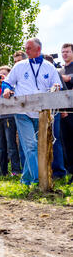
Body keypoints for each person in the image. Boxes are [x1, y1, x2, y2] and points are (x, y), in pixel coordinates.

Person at [2, 38, 63, 185]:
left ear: (38, 50)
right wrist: (7, 89)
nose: (26, 51)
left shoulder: (49, 67)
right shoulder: (19, 66)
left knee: (38, 146)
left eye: (29, 48)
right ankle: (38, 181)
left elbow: (58, 86)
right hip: (22, 111)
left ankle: (26, 179)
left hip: (42, 113)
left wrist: (56, 86)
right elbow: (7, 82)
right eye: (26, 48)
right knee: (30, 145)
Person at [0, 66, 21, 176]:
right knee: (0, 146)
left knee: (11, 145)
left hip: (9, 117)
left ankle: (16, 170)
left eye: (4, 74)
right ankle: (3, 171)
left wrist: (6, 86)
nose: (1, 77)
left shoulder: (12, 86)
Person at [59, 43, 73, 183]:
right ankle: (70, 171)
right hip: (64, 112)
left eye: (67, 51)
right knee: (67, 143)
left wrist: (69, 79)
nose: (64, 54)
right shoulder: (60, 71)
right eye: (63, 52)